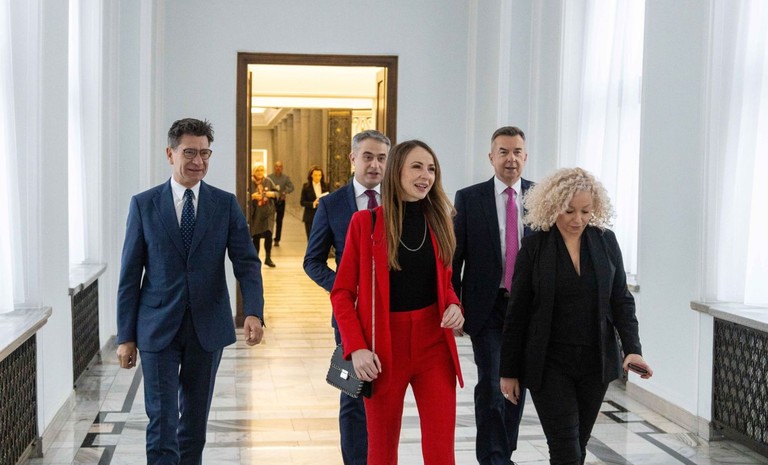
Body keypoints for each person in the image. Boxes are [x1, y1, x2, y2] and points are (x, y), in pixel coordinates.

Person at [116, 118, 265, 465]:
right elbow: (129, 276)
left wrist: (253, 311)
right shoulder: (144, 204)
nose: (198, 161)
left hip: (207, 328)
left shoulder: (224, 204)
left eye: (204, 153)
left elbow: (247, 262)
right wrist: (126, 336)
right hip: (157, 329)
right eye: (189, 153)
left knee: (194, 426)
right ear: (170, 154)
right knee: (162, 422)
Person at [500, 167, 653, 465]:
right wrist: (508, 370)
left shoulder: (606, 241)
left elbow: (621, 300)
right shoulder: (534, 247)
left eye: (585, 211)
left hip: (595, 363)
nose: (578, 219)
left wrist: (633, 349)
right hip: (549, 363)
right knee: (565, 450)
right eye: (569, 211)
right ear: (553, 206)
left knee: (578, 446)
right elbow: (517, 312)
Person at [331, 140, 464, 465]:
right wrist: (356, 348)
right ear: (396, 171)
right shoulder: (365, 223)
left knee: (441, 451)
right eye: (416, 167)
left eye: (431, 169)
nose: (425, 176)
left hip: (434, 345)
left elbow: (444, 282)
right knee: (381, 450)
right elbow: (342, 293)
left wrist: (454, 305)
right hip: (383, 349)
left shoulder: (440, 221)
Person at [303, 129, 390, 464]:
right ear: (353, 158)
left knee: (386, 395)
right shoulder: (331, 204)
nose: (374, 165)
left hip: (392, 316)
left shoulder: (398, 201)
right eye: (368, 157)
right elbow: (312, 261)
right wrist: (345, 288)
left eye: (381, 158)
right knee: (353, 395)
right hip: (349, 317)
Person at [452, 126, 533, 465]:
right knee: (492, 383)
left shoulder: (541, 197)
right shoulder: (469, 198)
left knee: (517, 385)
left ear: (525, 157)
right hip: (487, 307)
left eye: (517, 152)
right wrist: (454, 303)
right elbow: (456, 257)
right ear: (491, 157)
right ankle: (493, 458)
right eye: (503, 152)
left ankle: (504, 453)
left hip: (528, 308)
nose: (510, 158)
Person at [249, 165, 278, 267]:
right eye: (257, 170)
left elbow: (277, 193)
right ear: (254, 171)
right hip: (256, 213)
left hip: (268, 212)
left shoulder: (268, 181)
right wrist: (252, 196)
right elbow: (243, 194)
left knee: (268, 234)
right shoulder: (250, 182)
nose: (260, 172)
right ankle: (255, 259)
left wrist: (272, 194)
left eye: (261, 170)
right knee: (256, 236)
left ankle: (268, 258)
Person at [267, 160, 294, 247]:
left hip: (281, 201)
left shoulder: (285, 178)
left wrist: (285, 192)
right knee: (270, 220)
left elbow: (291, 187)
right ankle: (269, 237)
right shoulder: (269, 177)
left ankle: (277, 239)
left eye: (280, 166)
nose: (278, 168)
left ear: (282, 168)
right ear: (274, 167)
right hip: (271, 201)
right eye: (276, 166)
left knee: (279, 221)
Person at [300, 165, 329, 239]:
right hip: (310, 217)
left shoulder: (325, 186)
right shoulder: (306, 187)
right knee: (311, 238)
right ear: (311, 175)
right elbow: (302, 202)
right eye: (315, 175)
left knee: (321, 238)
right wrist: (313, 204)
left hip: (322, 216)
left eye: (319, 175)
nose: (317, 177)